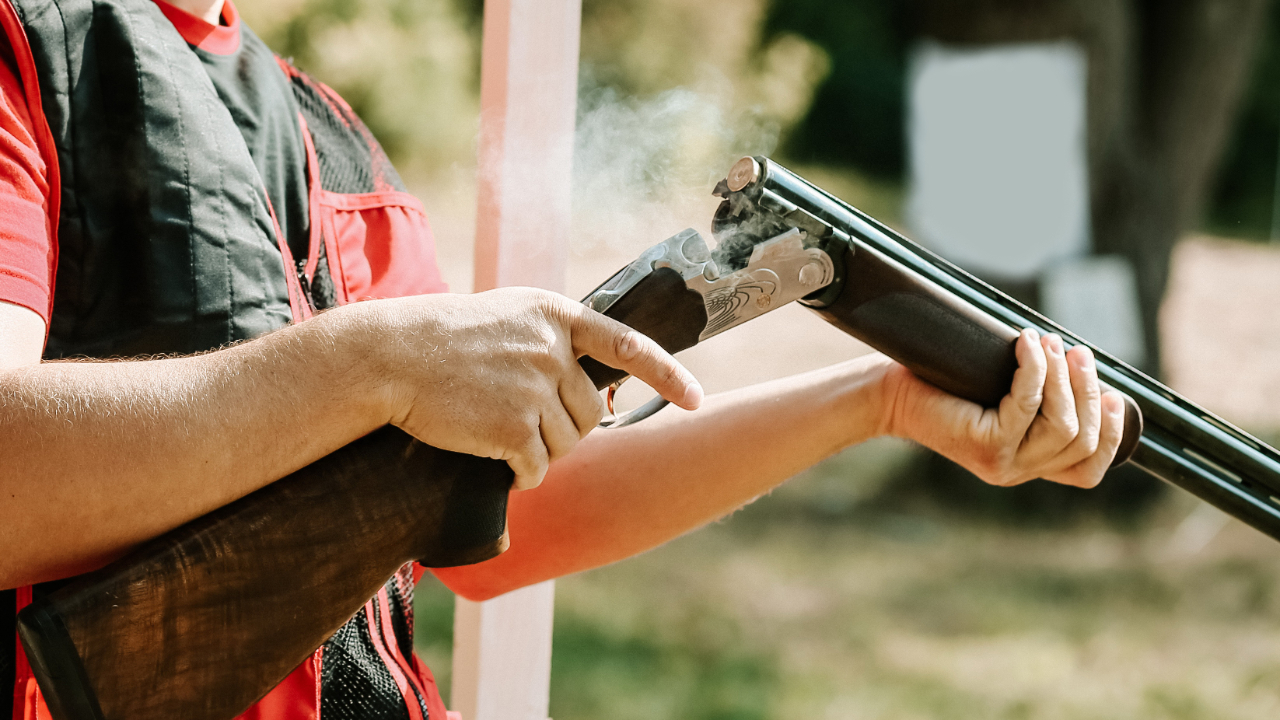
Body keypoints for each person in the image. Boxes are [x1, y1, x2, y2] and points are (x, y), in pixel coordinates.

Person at [0, 0, 1129, 716]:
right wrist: (370, 364)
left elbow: (493, 523)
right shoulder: (26, 41)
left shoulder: (320, 126)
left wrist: (879, 400)